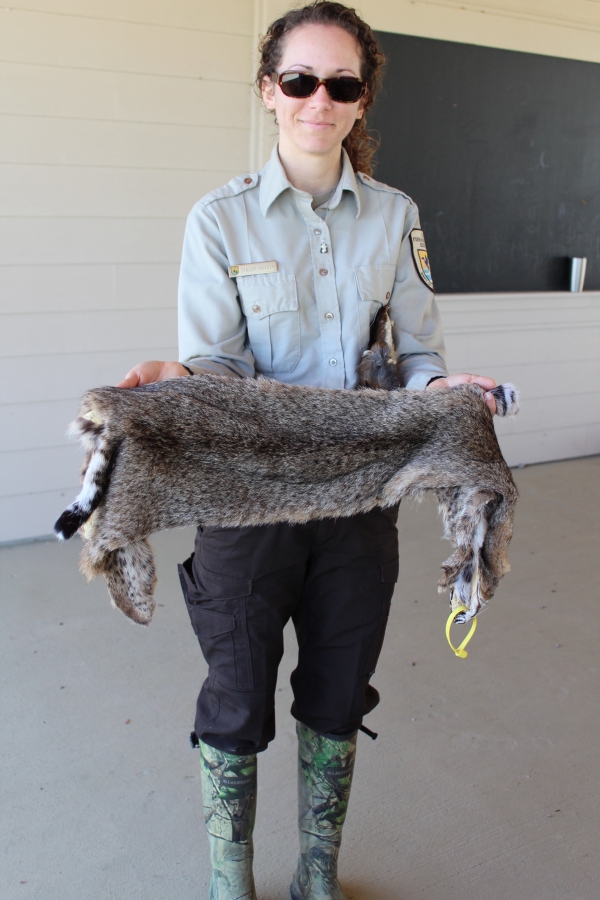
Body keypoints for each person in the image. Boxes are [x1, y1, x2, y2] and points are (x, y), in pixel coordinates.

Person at [117, 3, 498, 898]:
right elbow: (214, 367)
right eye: (299, 81)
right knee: (237, 694)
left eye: (341, 84)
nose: (318, 100)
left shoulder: (396, 217)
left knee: (337, 694)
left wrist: (443, 393)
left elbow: (419, 357)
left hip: (361, 500)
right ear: (268, 91)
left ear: (362, 101)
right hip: (245, 503)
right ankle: (231, 876)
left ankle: (316, 873)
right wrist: (177, 375)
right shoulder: (219, 221)